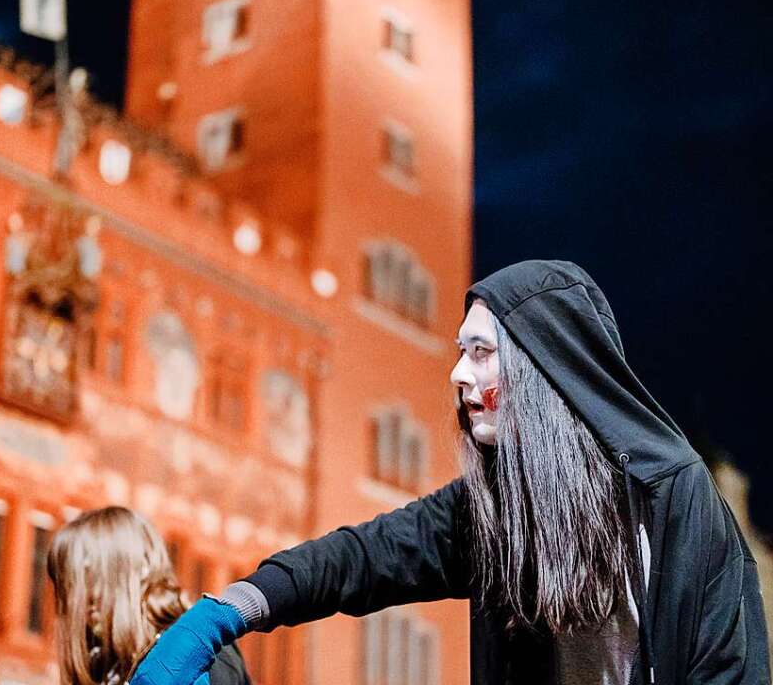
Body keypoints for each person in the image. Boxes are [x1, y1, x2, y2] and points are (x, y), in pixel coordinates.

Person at [129, 260, 771, 685]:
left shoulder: (671, 500)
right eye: (460, 353)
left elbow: (727, 671)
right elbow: (358, 559)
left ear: (549, 370)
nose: (458, 375)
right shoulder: (490, 510)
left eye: (482, 353)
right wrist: (223, 612)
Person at [47, 506, 251, 685]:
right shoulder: (105, 665)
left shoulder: (203, 651)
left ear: (141, 568)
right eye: (67, 582)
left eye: (90, 574)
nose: (78, 596)